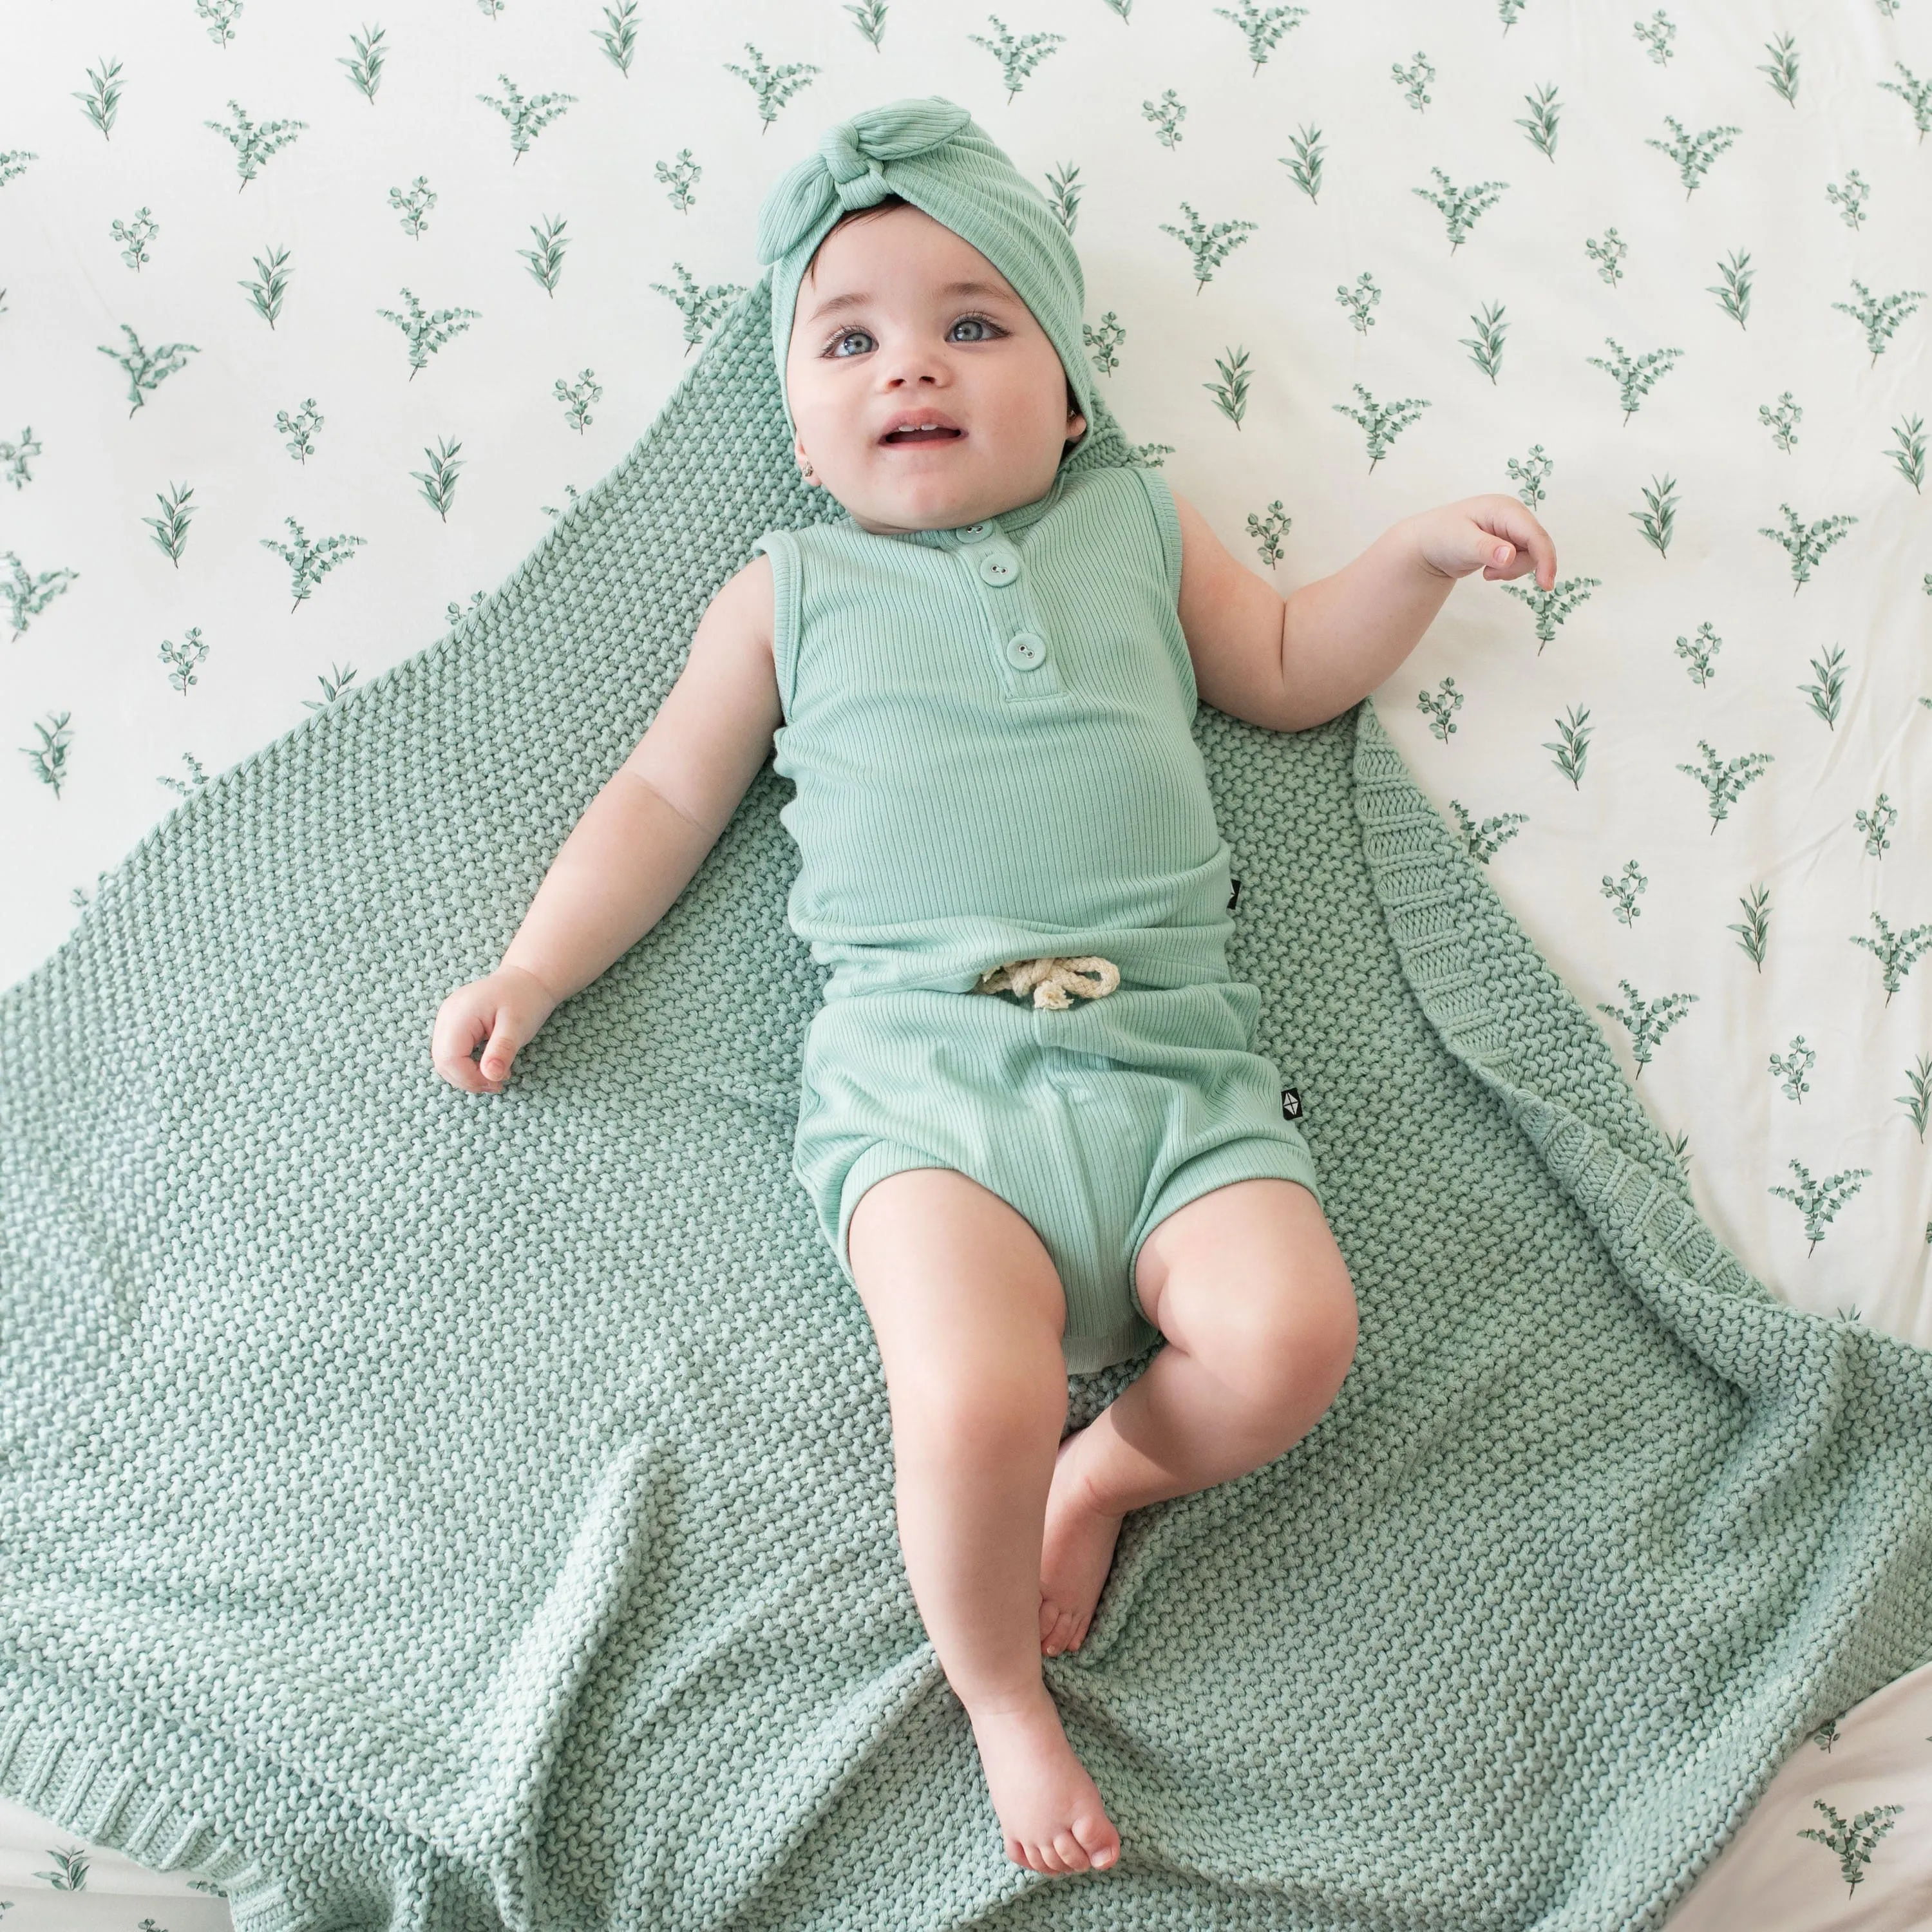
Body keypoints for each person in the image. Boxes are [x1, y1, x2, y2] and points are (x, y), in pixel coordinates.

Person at [431, 98, 1557, 1880]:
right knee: (967, 1400)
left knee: (1293, 1341)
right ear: (796, 418)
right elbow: (659, 799)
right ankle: (997, 1694)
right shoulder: (787, 593)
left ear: (1072, 388)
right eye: (850, 338)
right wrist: (537, 964)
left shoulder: (1133, 526)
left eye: (975, 323)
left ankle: (1106, 1476)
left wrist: (1410, 562)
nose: (913, 370)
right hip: (929, 1090)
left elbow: (1278, 667)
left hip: (1176, 1064)